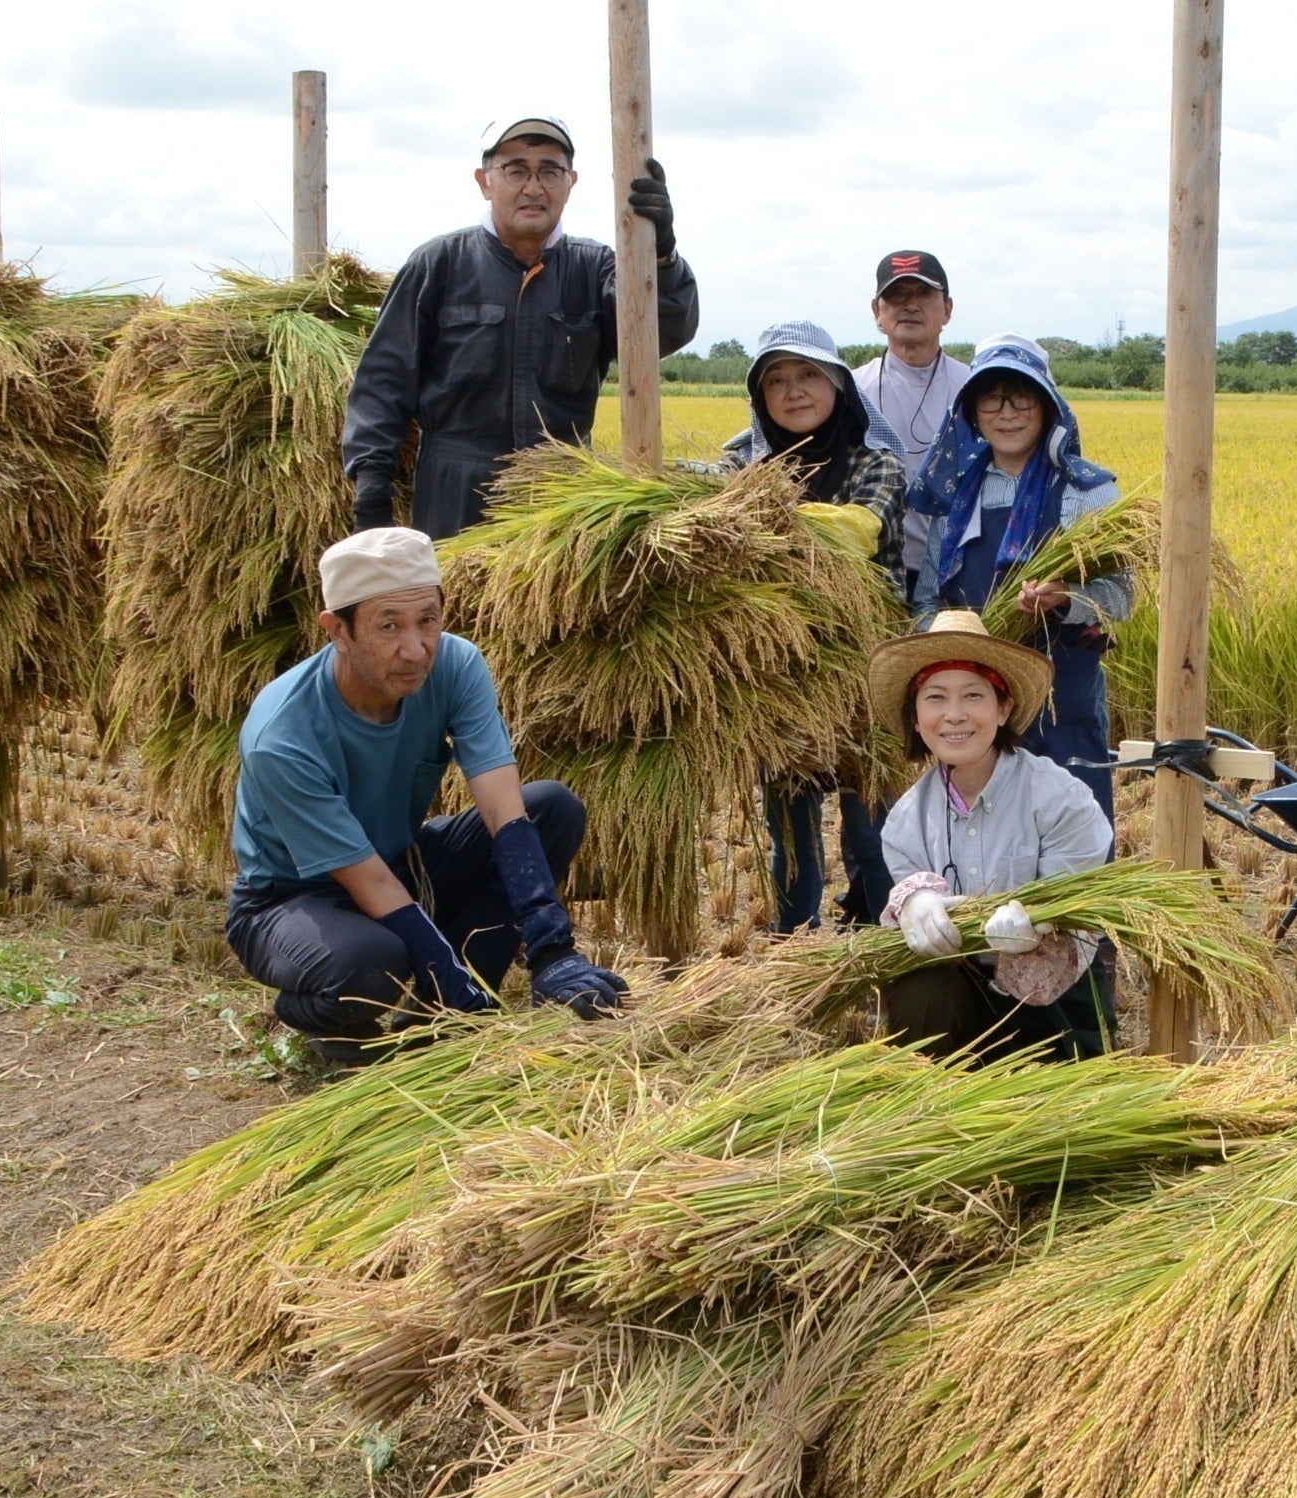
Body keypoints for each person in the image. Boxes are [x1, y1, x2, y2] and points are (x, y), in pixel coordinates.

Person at [225, 528, 632, 1069]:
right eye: (388, 626)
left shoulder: (457, 665)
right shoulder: (282, 734)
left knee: (551, 808)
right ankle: (319, 1010)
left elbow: (502, 808)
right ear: (337, 630)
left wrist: (550, 946)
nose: (415, 649)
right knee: (370, 965)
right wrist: (444, 968)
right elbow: (364, 879)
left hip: (400, 863)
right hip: (292, 899)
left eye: (428, 620)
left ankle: (449, 1006)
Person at [341, 117, 701, 538]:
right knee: (454, 604)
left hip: (561, 494)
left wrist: (659, 255)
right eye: (516, 170)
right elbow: (383, 383)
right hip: (456, 492)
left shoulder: (597, 268)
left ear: (571, 182)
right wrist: (371, 491)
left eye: (550, 170)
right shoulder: (438, 265)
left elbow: (663, 334)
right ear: (485, 181)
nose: (534, 187)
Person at [721, 320, 910, 931]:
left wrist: (761, 519)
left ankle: (887, 947)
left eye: (808, 375)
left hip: (867, 668)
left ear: (837, 385)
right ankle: (792, 947)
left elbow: (856, 532)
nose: (793, 391)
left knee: (873, 825)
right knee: (790, 829)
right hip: (780, 674)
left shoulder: (875, 465)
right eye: (775, 380)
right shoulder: (740, 467)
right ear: (759, 397)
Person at [869, 610, 1116, 1061]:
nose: (954, 716)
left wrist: (1038, 923)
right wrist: (913, 903)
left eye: (974, 696)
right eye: (936, 697)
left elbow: (1074, 909)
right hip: (963, 1001)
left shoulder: (1062, 800)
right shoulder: (905, 822)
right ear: (916, 715)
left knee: (1053, 1116)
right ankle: (929, 1101)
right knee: (919, 986)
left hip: (1052, 1002)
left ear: (1003, 710)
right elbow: (913, 917)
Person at [907, 334, 1130, 821]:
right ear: (972, 413)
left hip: (1063, 700)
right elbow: (924, 603)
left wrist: (1066, 598)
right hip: (974, 707)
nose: (1007, 412)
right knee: (982, 842)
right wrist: (951, 634)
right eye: (991, 398)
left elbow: (1122, 598)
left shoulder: (1088, 493)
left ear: (1048, 406)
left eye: (1022, 396)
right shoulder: (954, 502)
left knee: (1072, 835)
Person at [854, 249, 969, 584]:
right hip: (870, 570)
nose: (911, 305)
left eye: (924, 294)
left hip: (954, 572)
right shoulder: (851, 391)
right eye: (896, 295)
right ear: (877, 311)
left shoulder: (975, 390)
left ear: (947, 309)